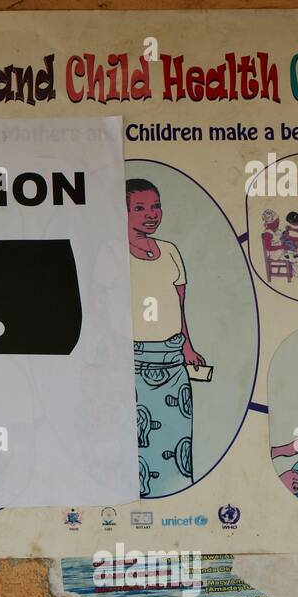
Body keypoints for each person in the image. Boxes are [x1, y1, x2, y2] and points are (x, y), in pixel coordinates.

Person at [127, 179, 205, 497]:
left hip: (172, 360)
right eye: (140, 208)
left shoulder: (170, 251)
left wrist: (187, 346)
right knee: (137, 437)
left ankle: (173, 497)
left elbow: (179, 305)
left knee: (177, 438)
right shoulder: (111, 252)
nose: (151, 214)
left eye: (155, 206)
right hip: (133, 360)